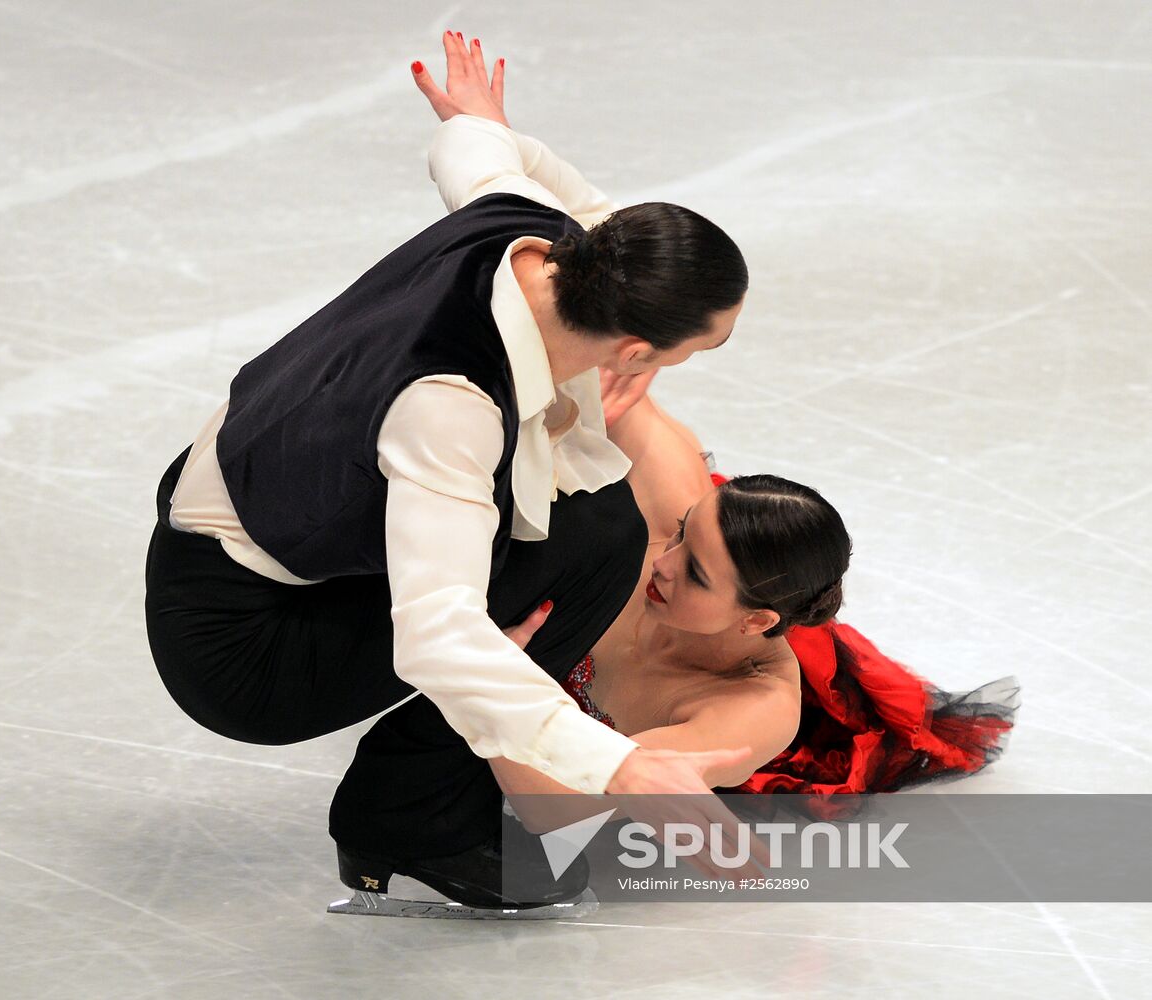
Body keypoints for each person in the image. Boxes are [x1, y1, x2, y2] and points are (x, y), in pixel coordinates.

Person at [144, 30, 756, 913]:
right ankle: (415, 817)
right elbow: (435, 635)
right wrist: (621, 764)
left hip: (267, 511)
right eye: (701, 345)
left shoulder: (524, 228)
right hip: (244, 646)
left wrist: (481, 118)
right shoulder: (449, 406)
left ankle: (428, 785)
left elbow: (478, 148)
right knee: (577, 554)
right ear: (632, 346)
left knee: (596, 528)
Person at [490, 369, 1021, 824]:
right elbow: (609, 360)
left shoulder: (751, 711)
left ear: (755, 619)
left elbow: (553, 804)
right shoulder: (670, 496)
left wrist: (490, 680)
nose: (662, 562)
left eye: (695, 574)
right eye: (679, 532)